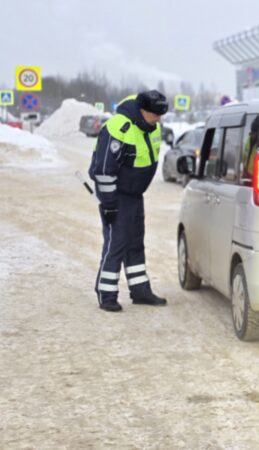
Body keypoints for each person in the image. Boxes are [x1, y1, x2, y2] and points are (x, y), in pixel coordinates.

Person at [88, 90, 169, 312]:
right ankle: (106, 294)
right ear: (142, 111)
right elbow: (103, 171)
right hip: (116, 194)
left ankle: (140, 290)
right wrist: (109, 204)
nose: (158, 120)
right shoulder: (118, 128)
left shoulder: (152, 127)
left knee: (135, 242)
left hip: (135, 194)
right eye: (155, 115)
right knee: (116, 244)